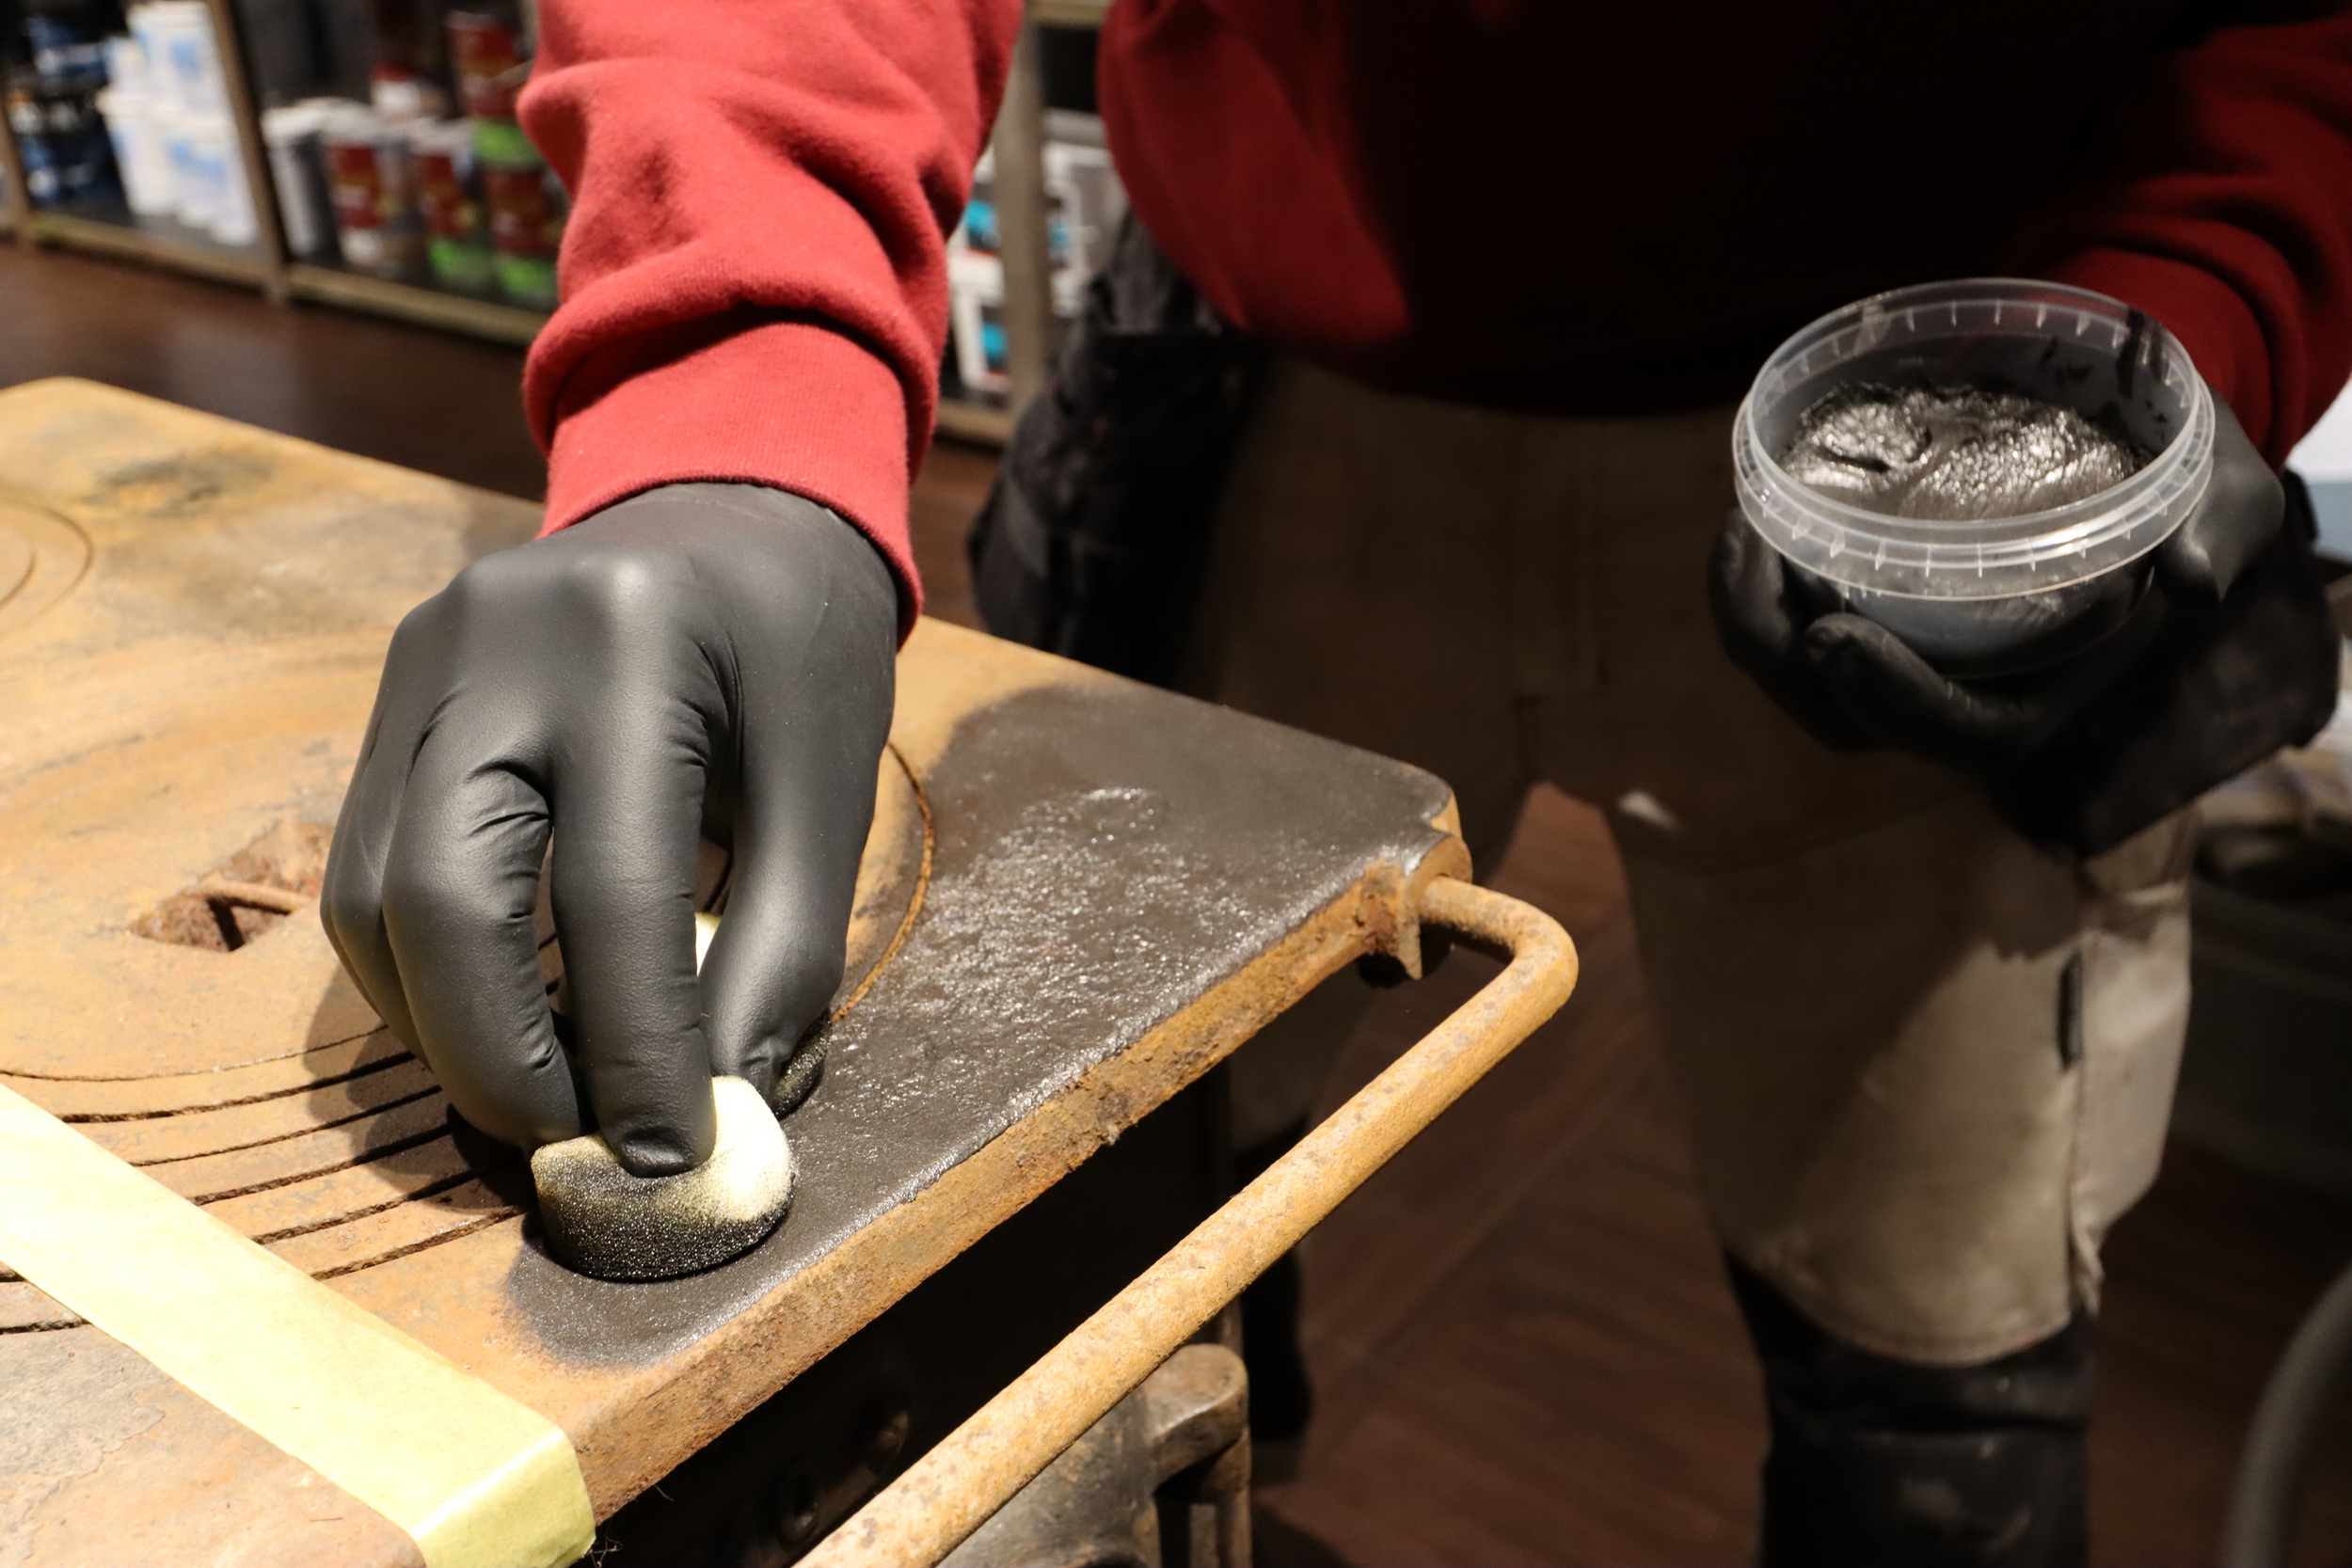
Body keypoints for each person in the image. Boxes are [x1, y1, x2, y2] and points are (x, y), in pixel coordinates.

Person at [320, 4, 2352, 1562]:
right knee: (1116, 1227)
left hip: (1936, 452)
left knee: (1937, 1365)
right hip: (1270, 399)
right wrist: (728, 380)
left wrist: (2204, 292)